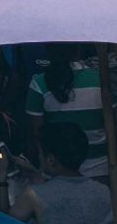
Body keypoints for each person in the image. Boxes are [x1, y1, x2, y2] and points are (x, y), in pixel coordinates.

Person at [28, 47, 110, 180]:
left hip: (56, 172)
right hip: (99, 169)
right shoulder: (101, 80)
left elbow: (37, 134)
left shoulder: (39, 84)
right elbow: (111, 126)